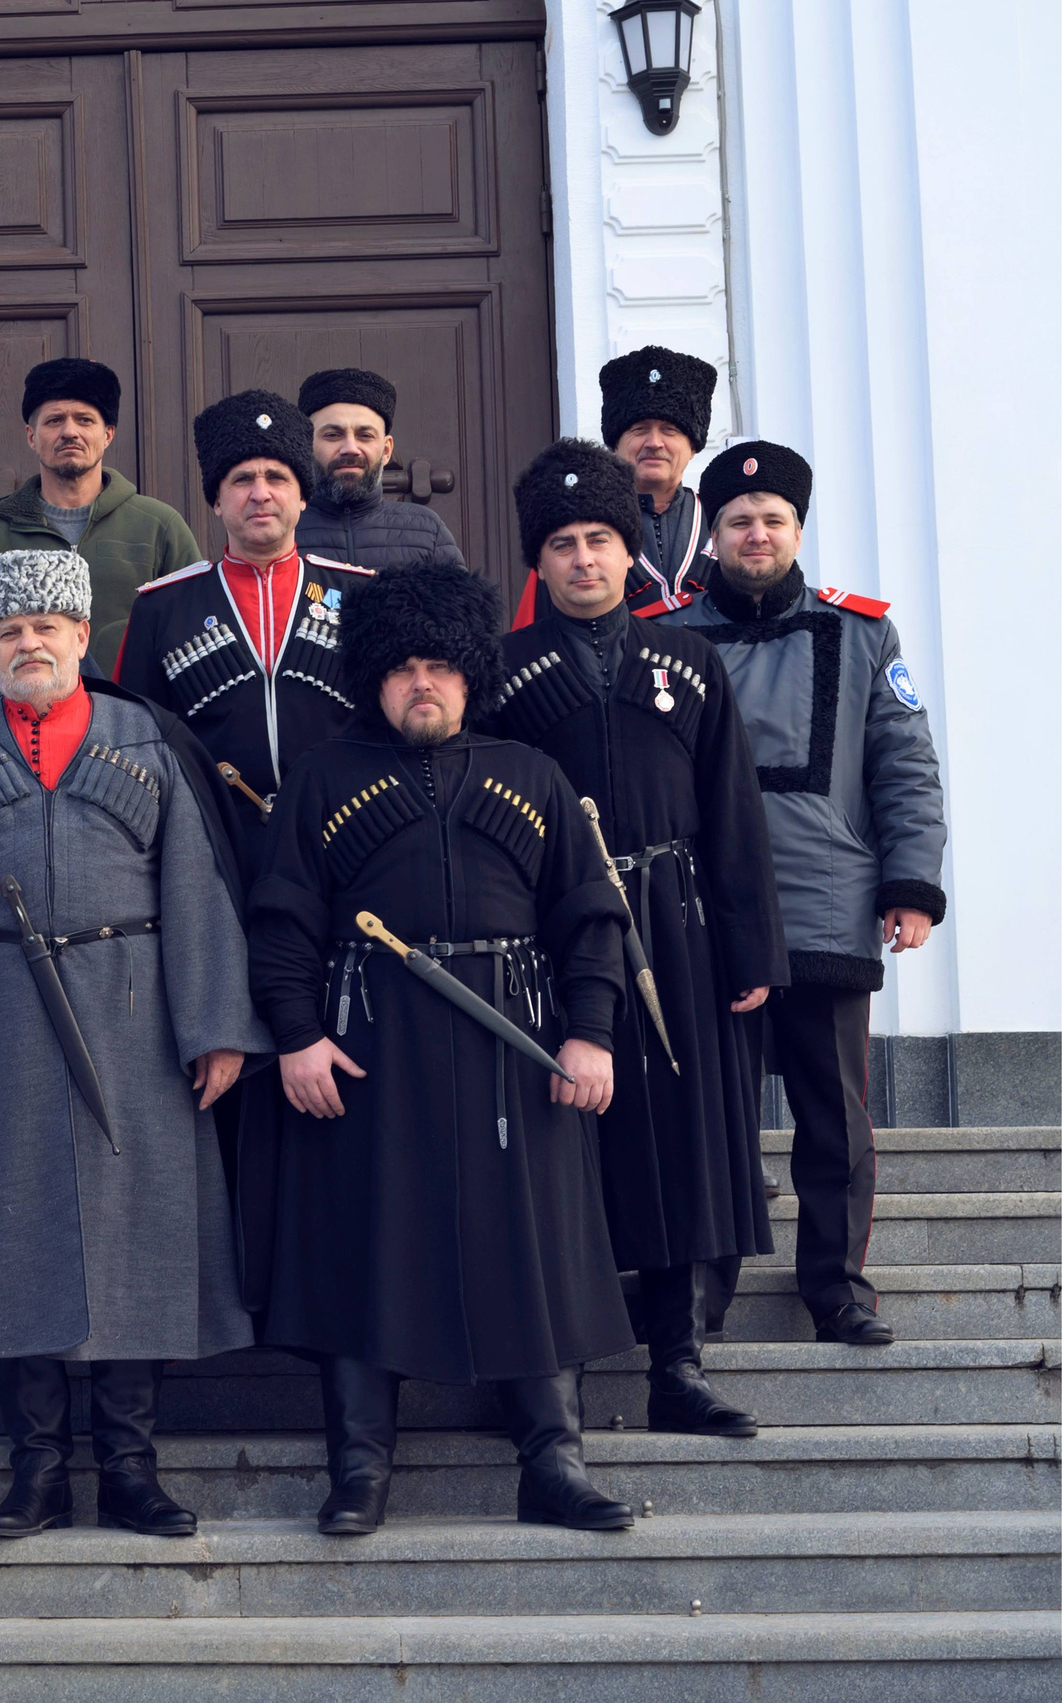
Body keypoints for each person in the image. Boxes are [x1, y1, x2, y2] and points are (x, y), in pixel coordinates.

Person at [0, 549, 265, 1541]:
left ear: (81, 636)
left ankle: (129, 1468)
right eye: (8, 632)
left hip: (134, 1016)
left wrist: (213, 1026)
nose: (29, 643)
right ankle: (34, 1470)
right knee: (7, 1241)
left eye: (46, 628)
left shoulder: (144, 737)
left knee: (137, 1243)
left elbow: (193, 885)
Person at [248, 561, 637, 1538]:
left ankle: (553, 1461)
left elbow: (589, 919)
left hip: (519, 1043)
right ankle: (359, 1469)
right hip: (368, 1043)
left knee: (534, 1245)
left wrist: (588, 1033)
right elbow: (282, 919)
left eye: (441, 666)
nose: (423, 682)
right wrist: (296, 1035)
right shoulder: (322, 776)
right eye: (404, 666)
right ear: (373, 673)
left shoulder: (532, 774)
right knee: (362, 1243)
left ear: (470, 674)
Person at [489, 441, 788, 1436]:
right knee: (566, 1144)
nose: (583, 559)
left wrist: (752, 953)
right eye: (564, 544)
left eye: (601, 541)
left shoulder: (690, 661)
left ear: (631, 552)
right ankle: (546, 1363)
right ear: (540, 561)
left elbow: (733, 813)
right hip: (553, 933)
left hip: (680, 926)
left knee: (681, 1143)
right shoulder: (503, 670)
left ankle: (678, 1361)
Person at [659, 441, 946, 1346]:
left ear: (797, 529)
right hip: (707, 917)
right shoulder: (664, 635)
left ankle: (838, 1289)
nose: (756, 534)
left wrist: (913, 885)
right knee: (714, 1119)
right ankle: (699, 1299)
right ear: (713, 532)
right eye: (738, 520)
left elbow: (906, 766)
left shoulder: (864, 633)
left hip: (828, 899)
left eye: (772, 520)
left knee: (835, 1119)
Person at [115, 390, 374, 875]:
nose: (260, 493)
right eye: (241, 480)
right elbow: (135, 739)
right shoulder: (161, 606)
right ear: (216, 500)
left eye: (277, 477)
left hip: (344, 842)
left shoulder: (361, 596)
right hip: (210, 849)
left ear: (302, 496)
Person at [0, 357, 200, 668]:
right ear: (31, 436)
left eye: (85, 420)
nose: (70, 432)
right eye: (54, 421)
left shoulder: (159, 526)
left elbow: (192, 630)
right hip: (22, 714)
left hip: (136, 713)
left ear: (108, 434)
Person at [511, 347, 718, 628]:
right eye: (639, 429)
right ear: (615, 444)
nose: (654, 442)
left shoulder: (722, 521)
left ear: (693, 445)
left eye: (670, 430)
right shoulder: (572, 528)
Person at [292, 367, 467, 572]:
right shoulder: (283, 529)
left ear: (386, 451)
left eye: (365, 435)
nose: (350, 449)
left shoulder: (427, 532)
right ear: (306, 445)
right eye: (332, 435)